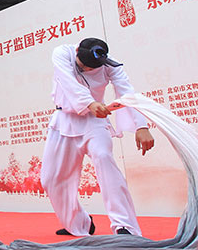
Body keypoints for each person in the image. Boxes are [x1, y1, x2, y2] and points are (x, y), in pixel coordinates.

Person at [40, 38, 155, 237]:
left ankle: (124, 226)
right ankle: (80, 223)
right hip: (63, 120)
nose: (83, 70)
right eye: (81, 66)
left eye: (89, 69)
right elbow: (67, 81)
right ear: (76, 51)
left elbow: (126, 92)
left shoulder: (112, 66)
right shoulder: (62, 53)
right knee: (50, 179)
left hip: (94, 122)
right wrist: (90, 103)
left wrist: (141, 126)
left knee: (104, 158)